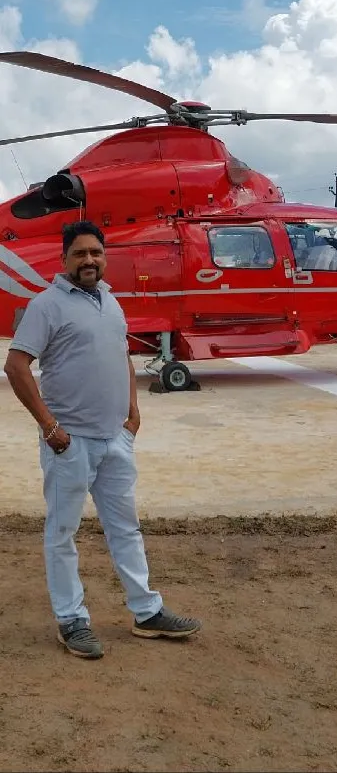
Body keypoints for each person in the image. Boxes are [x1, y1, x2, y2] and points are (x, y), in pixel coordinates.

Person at [4, 220, 201, 660]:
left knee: (125, 528)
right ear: (64, 259)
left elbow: (123, 359)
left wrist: (133, 413)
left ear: (103, 256)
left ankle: (147, 612)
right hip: (70, 444)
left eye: (95, 252)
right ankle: (71, 620)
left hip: (115, 440)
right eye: (80, 254)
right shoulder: (47, 305)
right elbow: (16, 366)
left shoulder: (110, 302)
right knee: (62, 532)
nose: (89, 260)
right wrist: (51, 428)